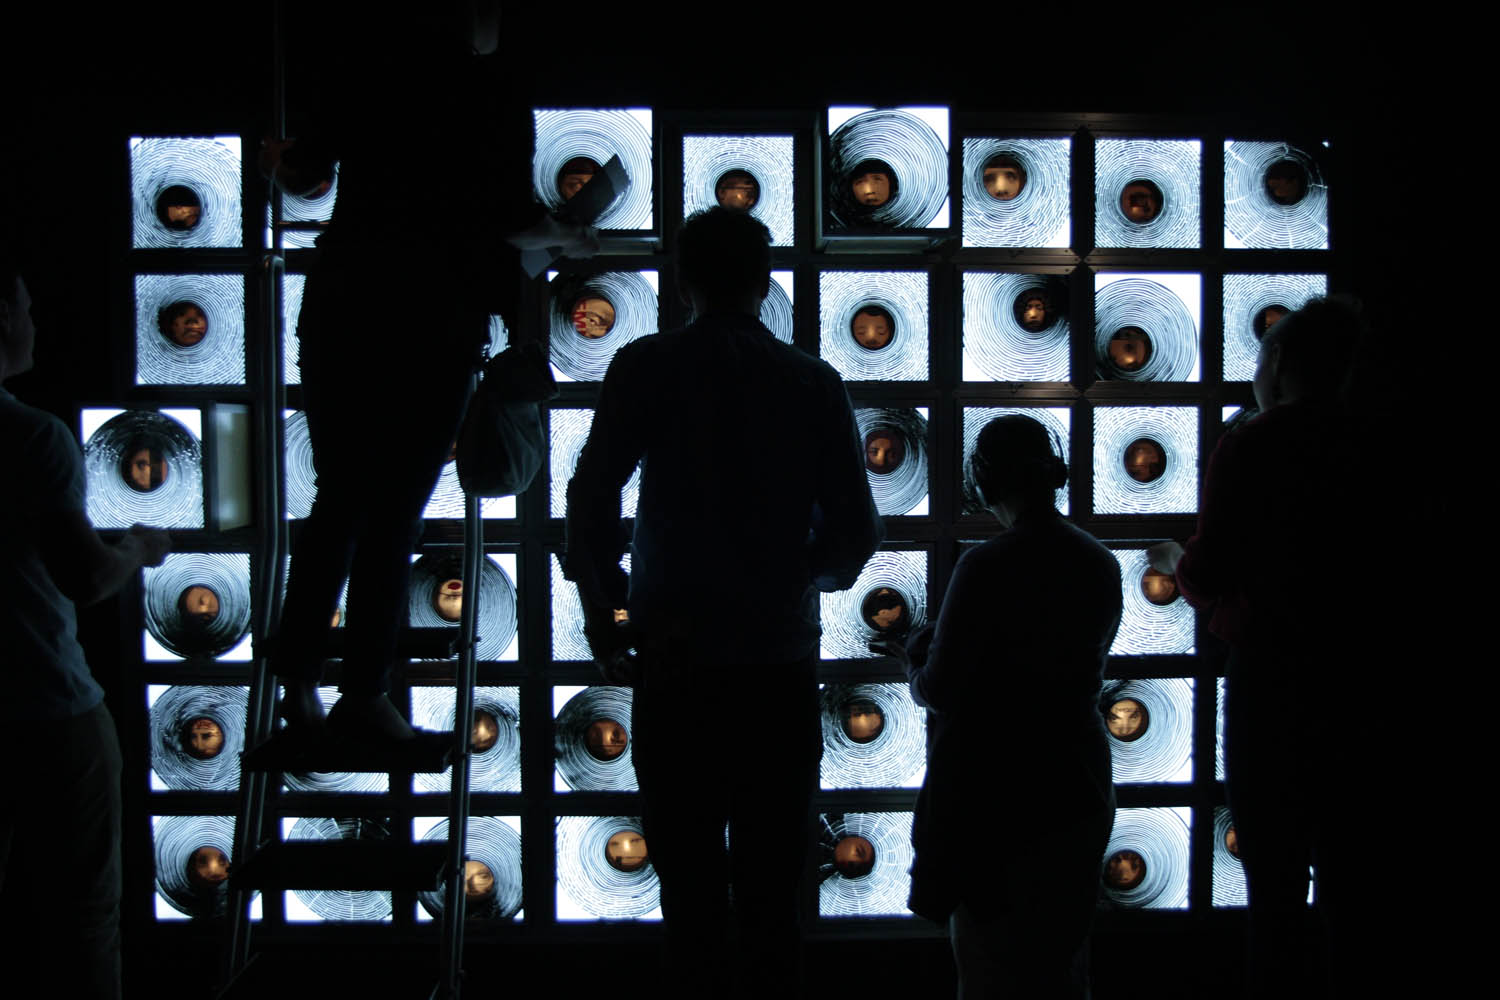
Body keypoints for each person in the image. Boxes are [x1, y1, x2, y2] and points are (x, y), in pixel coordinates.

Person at [564, 207, 882, 997]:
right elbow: (855, 533)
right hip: (775, 666)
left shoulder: (647, 365)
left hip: (675, 662)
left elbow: (593, 493)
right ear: (764, 280)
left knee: (690, 892)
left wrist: (604, 608)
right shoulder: (812, 381)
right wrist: (797, 573)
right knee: (776, 893)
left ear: (685, 280)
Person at [266, 9, 596, 743]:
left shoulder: (365, 64)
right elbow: (508, 218)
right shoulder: (493, 89)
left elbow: (302, 167)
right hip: (431, 315)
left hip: (344, 301)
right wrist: (565, 232)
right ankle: (363, 697)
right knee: (392, 511)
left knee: (339, 497)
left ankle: (295, 682)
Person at [1147, 296, 1370, 998]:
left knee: (1274, 877)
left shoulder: (1257, 441)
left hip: (1273, 675)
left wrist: (1173, 561)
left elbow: (1214, 570)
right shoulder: (1373, 440)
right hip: (1362, 677)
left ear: (1279, 364)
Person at [874, 414, 1120, 999]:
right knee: (1062, 961)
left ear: (982, 481)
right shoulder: (1099, 561)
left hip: (997, 793)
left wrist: (912, 657)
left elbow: (940, 689)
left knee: (991, 966)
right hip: (1077, 779)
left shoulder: (985, 566)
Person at [1, 258, 172, 999]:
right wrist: (140, 545)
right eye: (27, 306)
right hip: (49, 709)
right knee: (85, 913)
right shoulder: (33, 437)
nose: (36, 322)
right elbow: (84, 577)